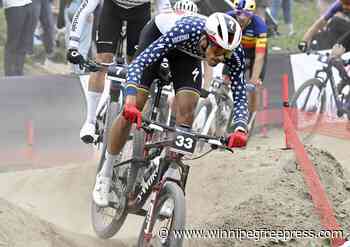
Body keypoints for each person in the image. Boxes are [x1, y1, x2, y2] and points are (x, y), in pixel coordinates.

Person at [90, 12, 249, 207]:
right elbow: (140, 63)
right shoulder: (187, 31)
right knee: (135, 105)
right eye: (217, 51)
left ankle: (170, 178)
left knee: (188, 111)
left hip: (187, 56)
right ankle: (105, 174)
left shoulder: (234, 52)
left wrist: (241, 128)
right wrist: (130, 97)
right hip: (158, 37)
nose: (221, 58)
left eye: (226, 53)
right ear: (205, 40)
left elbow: (240, 94)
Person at [66, 0, 172, 144]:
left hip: (140, 13)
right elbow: (84, 10)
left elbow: (167, 16)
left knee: (137, 63)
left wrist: (167, 52)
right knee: (102, 60)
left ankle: (132, 111)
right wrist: (73, 46)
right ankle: (90, 121)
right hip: (112, 10)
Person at [225, 0, 268, 130]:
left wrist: (254, 79)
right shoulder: (228, 17)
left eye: (246, 15)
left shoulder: (259, 25)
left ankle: (250, 119)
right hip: (235, 50)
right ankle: (223, 112)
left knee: (253, 85)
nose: (242, 18)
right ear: (235, 11)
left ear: (252, 14)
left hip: (255, 54)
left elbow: (260, 56)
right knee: (225, 80)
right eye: (239, 13)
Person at [3, 0, 34, 76]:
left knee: (24, 40)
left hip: (28, 4)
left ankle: (19, 71)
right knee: (13, 41)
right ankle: (9, 73)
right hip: (14, 5)